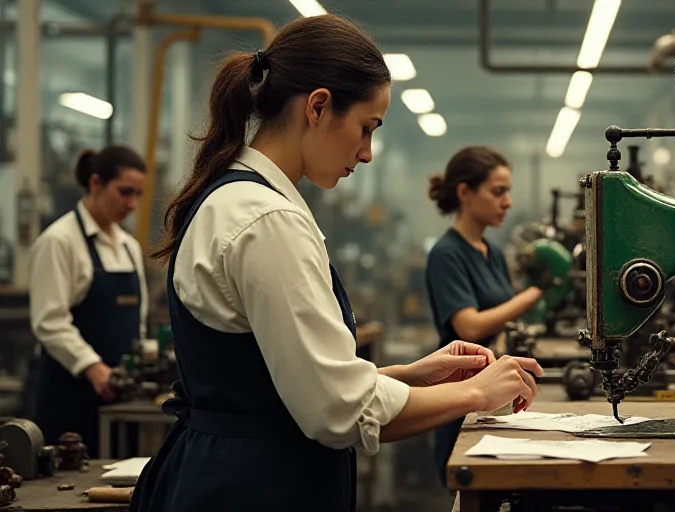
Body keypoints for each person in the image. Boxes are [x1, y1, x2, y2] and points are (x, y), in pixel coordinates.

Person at [129, 14, 542, 512]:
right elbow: (336, 410)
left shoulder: (238, 199)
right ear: (319, 107)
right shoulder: (265, 219)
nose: (366, 153)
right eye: (366, 129)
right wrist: (477, 393)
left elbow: (281, 384)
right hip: (255, 488)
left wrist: (410, 374)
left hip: (237, 472)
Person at [425, 146, 549, 483]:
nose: (507, 201)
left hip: (489, 393)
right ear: (465, 192)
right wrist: (535, 293)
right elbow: (469, 325)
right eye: (498, 192)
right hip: (458, 395)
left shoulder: (491, 251)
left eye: (507, 192)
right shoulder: (446, 254)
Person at [27, 145, 148, 456]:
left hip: (120, 400)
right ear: (96, 183)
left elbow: (139, 320)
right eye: (125, 192)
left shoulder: (128, 247)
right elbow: (49, 322)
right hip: (69, 397)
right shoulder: (59, 241)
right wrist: (93, 367)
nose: (132, 204)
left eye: (138, 194)